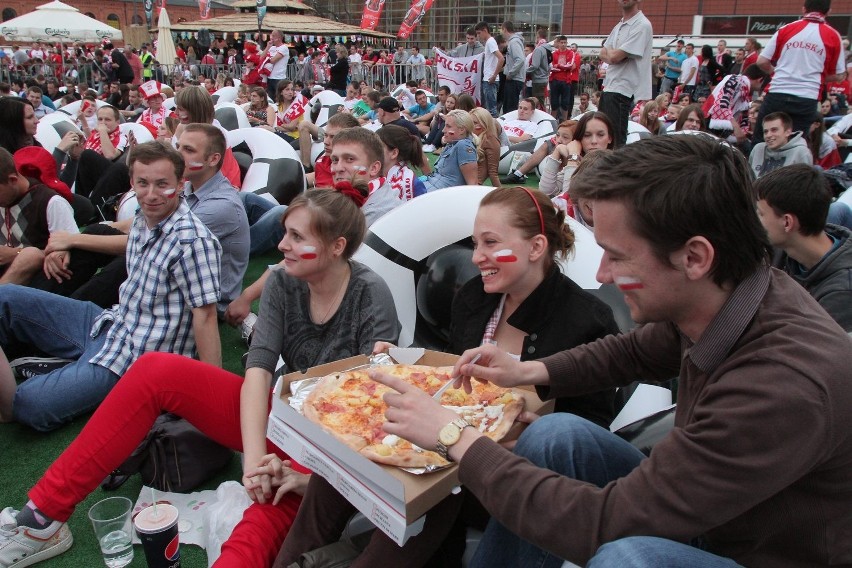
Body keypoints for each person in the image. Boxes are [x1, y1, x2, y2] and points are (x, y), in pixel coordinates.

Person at [365, 134, 852, 567]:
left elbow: (605, 524)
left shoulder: (782, 383)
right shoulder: (732, 295)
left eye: (616, 256)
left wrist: (454, 434)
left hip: (752, 551)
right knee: (555, 435)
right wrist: (525, 370)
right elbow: (630, 354)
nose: (601, 277)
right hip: (718, 514)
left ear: (696, 257)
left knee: (627, 557)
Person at [0, 189, 401, 568]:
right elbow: (258, 368)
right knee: (156, 370)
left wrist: (304, 475)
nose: (282, 246)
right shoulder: (282, 280)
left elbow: (374, 414)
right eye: (285, 233)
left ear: (337, 247)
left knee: (266, 512)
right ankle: (43, 516)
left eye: (297, 237)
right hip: (286, 414)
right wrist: (255, 459)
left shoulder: (370, 293)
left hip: (339, 445)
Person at [274, 185, 620, 568]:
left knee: (437, 494)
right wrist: (397, 363)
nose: (476, 257)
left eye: (490, 243)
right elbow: (451, 388)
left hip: (511, 478)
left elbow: (590, 436)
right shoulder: (474, 296)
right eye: (475, 243)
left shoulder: (588, 319)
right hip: (439, 447)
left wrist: (534, 433)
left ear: (536, 247)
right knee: (346, 454)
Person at [0, 142, 222, 432]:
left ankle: (62, 367)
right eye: (143, 183)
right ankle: (63, 365)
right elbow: (116, 234)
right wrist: (64, 244)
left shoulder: (194, 242)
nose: (152, 194)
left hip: (134, 357)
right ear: (132, 183)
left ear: (181, 184)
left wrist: (214, 395)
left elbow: (205, 317)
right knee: (5, 297)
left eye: (162, 184)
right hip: (109, 323)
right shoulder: (147, 217)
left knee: (28, 406)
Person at [756, 164, 852, 332]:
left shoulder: (842, 292)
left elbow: (815, 349)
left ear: (787, 222)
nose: (755, 220)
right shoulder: (783, 248)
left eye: (761, 214)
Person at [754, 0, 846, 143]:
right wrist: (816, 75)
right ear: (828, 12)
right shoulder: (834, 36)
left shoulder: (786, 29)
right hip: (806, 98)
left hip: (777, 92)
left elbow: (761, 61)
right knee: (795, 144)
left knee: (762, 140)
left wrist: (775, 72)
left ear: (804, 9)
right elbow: (839, 75)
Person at [597, 0, 652, 148]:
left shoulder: (642, 25)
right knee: (604, 138)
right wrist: (613, 54)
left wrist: (612, 54)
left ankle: (618, 171)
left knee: (616, 142)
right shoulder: (619, 25)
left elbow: (613, 56)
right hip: (609, 88)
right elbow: (603, 53)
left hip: (623, 91)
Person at [539, 113, 614, 199]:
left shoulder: (614, 167)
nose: (594, 141)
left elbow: (570, 200)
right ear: (579, 139)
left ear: (610, 138)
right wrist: (557, 151)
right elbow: (545, 193)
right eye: (587, 135)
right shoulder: (579, 161)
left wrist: (573, 157)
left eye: (600, 135)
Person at [421, 110, 479, 192]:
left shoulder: (464, 145)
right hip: (432, 187)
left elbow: (473, 184)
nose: (443, 130)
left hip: (440, 195)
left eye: (448, 126)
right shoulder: (452, 144)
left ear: (462, 129)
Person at [749, 111, 813, 178]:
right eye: (765, 131)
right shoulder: (758, 149)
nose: (768, 135)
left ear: (788, 132)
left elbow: (806, 185)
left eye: (774, 130)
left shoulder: (801, 152)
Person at [377, 124, 427, 202]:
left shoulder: (412, 184)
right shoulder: (374, 174)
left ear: (394, 153)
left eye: (378, 146)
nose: (372, 150)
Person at [475, 22, 505, 117]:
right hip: (490, 78)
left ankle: (494, 129)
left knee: (491, 110)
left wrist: (494, 75)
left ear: (485, 30)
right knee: (490, 109)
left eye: (479, 33)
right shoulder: (490, 42)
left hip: (490, 79)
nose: (478, 36)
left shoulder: (490, 42)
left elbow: (501, 58)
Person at [470, 107, 501, 187]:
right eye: (470, 122)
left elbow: (493, 173)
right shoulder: (471, 136)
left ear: (484, 124)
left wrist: (503, 196)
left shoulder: (490, 140)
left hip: (473, 184)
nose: (471, 126)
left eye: (475, 122)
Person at [501, 21, 525, 114]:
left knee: (510, 109)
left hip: (514, 79)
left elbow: (520, 59)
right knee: (508, 107)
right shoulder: (514, 42)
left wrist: (511, 73)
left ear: (505, 29)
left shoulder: (514, 42)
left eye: (501, 30)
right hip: (515, 79)